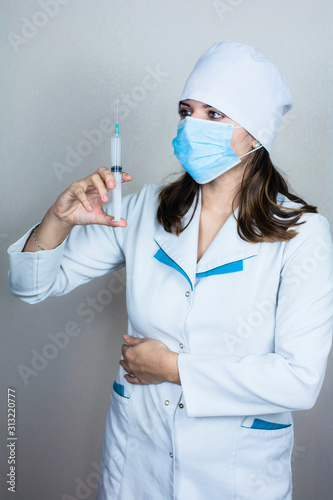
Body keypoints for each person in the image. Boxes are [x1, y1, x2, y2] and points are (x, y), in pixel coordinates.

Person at [8, 41, 333, 500]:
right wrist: (58, 219)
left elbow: (298, 381)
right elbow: (31, 287)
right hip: (135, 466)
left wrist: (174, 368)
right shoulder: (143, 210)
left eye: (214, 115)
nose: (190, 125)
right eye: (186, 110)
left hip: (237, 477)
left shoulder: (303, 235)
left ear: (256, 134)